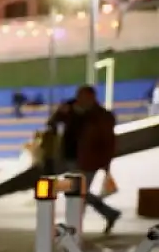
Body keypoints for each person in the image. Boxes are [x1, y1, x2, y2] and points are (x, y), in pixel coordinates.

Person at [48, 86, 121, 234]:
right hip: (70, 156)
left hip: (89, 160)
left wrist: (106, 163)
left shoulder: (102, 116)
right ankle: (109, 213)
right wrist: (59, 113)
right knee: (78, 192)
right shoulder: (69, 108)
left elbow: (108, 141)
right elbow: (51, 123)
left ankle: (74, 227)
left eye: (84, 97)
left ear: (92, 98)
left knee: (78, 193)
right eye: (79, 96)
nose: (81, 100)